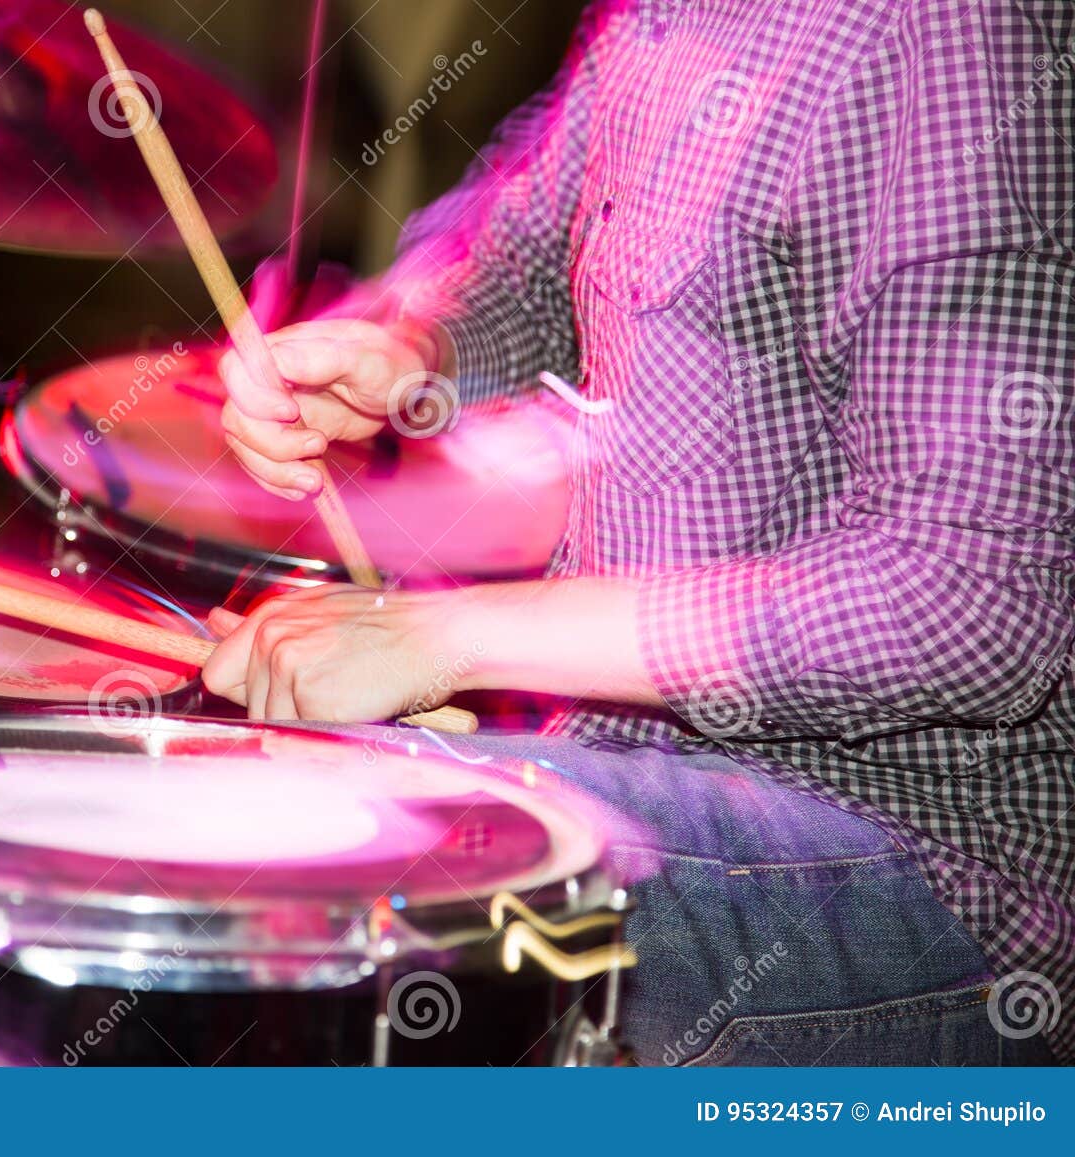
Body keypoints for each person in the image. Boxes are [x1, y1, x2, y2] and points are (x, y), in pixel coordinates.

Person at [203, 0, 1073, 1065]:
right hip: (634, 764)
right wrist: (405, 341)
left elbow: (968, 601)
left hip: (918, 862)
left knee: (310, 876)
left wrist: (445, 633)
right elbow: (523, 243)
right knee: (226, 799)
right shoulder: (657, 16)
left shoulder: (941, 39)